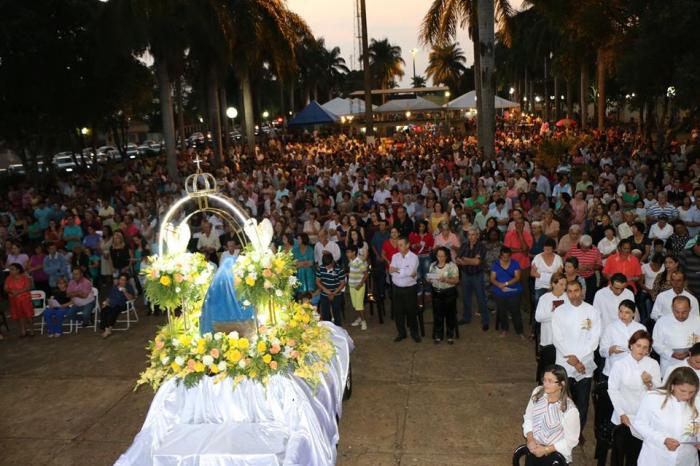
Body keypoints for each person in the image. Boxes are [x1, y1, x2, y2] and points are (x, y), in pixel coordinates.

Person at [552, 279, 602, 437]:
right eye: (570, 291)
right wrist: (572, 358)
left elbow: (594, 339)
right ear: (566, 293)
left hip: (584, 364)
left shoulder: (592, 311)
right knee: (562, 401)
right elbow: (557, 338)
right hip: (564, 362)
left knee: (582, 404)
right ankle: (561, 432)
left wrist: (578, 359)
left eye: (576, 291)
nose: (573, 295)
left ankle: (576, 433)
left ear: (582, 291)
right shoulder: (559, 311)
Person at [607, 330, 662, 465]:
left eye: (645, 347)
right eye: (638, 345)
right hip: (623, 415)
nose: (641, 350)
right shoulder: (620, 364)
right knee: (619, 455)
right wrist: (621, 413)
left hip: (643, 417)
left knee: (636, 455)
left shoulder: (653, 364)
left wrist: (649, 383)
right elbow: (613, 390)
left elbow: (658, 392)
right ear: (631, 345)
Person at [633, 366, 700, 466]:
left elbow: (697, 427)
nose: (687, 396)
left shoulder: (697, 402)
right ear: (672, 385)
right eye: (682, 391)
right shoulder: (653, 398)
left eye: (691, 392)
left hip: (686, 458)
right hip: (656, 457)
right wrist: (662, 440)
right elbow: (639, 424)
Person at [522, 364, 580, 465]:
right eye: (544, 380)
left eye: (550, 381)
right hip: (535, 447)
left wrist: (546, 450)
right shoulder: (537, 393)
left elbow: (571, 441)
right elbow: (528, 417)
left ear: (562, 384)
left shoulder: (570, 410)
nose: (545, 384)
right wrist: (530, 438)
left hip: (554, 454)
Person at [653, 295, 700, 376]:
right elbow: (656, 343)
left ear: (690, 308)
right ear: (672, 308)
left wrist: (689, 352)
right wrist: (671, 353)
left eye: (684, 312)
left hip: (693, 363)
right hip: (669, 362)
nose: (680, 315)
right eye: (677, 312)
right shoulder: (662, 322)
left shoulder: (697, 320)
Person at [535, 273, 569, 383]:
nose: (564, 287)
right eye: (561, 284)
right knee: (547, 367)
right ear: (553, 284)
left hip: (564, 339)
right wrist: (555, 313)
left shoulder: (567, 298)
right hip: (548, 339)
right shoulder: (544, 298)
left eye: (565, 284)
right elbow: (538, 317)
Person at [600, 300, 647, 377]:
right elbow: (602, 351)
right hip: (614, 369)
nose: (623, 315)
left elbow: (648, 349)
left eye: (627, 312)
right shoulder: (610, 327)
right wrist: (611, 349)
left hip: (635, 368)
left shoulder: (641, 328)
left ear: (633, 314)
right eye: (621, 312)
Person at [456, 227, 488, 329]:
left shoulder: (481, 246)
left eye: (473, 234)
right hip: (465, 275)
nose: (471, 237)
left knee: (481, 298)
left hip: (477, 275)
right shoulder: (464, 245)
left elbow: (477, 262)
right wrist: (469, 260)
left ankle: (485, 320)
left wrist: (465, 260)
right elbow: (457, 259)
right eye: (469, 235)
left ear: (477, 236)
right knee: (466, 298)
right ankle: (466, 318)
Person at [389, 236, 420, 343]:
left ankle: (414, 333)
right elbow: (391, 271)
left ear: (408, 245)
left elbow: (410, 272)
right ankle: (401, 333)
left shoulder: (414, 257)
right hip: (396, 288)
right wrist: (402, 271)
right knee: (398, 312)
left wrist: (397, 270)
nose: (399, 247)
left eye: (401, 245)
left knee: (411, 312)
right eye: (398, 245)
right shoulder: (395, 256)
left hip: (409, 289)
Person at [490, 247, 524, 338]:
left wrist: (505, 284)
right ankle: (504, 329)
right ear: (500, 256)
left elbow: (517, 277)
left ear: (510, 256)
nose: (505, 259)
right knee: (502, 311)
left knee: (515, 311)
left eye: (507, 257)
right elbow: (492, 278)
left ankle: (520, 331)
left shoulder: (515, 263)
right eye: (504, 257)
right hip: (499, 290)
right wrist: (499, 285)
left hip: (513, 290)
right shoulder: (495, 264)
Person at [428, 246, 459, 344]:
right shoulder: (433, 265)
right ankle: (438, 335)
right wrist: (429, 279)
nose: (440, 258)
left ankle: (450, 334)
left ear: (447, 256)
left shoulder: (452, 266)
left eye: (442, 256)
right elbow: (429, 277)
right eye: (438, 256)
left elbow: (456, 280)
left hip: (449, 292)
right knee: (438, 314)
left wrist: (446, 280)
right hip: (436, 292)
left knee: (450, 314)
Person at [99, 273, 135, 338]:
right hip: (112, 303)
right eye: (121, 279)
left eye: (124, 280)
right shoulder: (115, 287)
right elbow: (109, 297)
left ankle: (109, 329)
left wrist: (125, 292)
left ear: (126, 281)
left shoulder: (129, 287)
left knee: (114, 310)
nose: (122, 281)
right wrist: (106, 302)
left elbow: (131, 298)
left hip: (123, 304)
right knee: (104, 310)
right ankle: (106, 329)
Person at [4, 263, 34, 337]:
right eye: (10, 269)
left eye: (12, 269)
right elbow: (5, 288)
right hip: (14, 300)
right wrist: (10, 292)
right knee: (19, 316)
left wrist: (17, 292)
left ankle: (31, 329)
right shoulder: (8, 278)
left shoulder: (24, 277)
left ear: (18, 270)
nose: (10, 271)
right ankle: (23, 331)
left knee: (28, 316)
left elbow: (28, 287)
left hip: (25, 300)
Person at [315, 252, 345, 327]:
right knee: (325, 313)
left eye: (328, 266)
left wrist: (333, 293)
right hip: (324, 294)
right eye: (325, 266)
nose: (327, 268)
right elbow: (317, 281)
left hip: (336, 294)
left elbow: (342, 283)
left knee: (336, 313)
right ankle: (328, 329)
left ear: (332, 261)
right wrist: (326, 291)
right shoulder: (320, 268)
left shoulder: (339, 269)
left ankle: (338, 329)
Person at [531, 238, 563, 305]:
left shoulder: (558, 258)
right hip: (540, 286)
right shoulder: (537, 257)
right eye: (545, 249)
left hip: (553, 285)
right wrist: (548, 276)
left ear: (553, 249)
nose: (546, 251)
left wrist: (542, 275)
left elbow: (560, 273)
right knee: (539, 302)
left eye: (549, 249)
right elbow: (532, 273)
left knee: (553, 304)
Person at [347, 247, 368, 330]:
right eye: (347, 252)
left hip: (359, 287)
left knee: (359, 305)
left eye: (349, 252)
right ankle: (359, 318)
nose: (347, 254)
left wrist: (360, 284)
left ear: (354, 252)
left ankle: (363, 322)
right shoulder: (351, 261)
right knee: (355, 305)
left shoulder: (359, 261)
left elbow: (366, 274)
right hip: (352, 286)